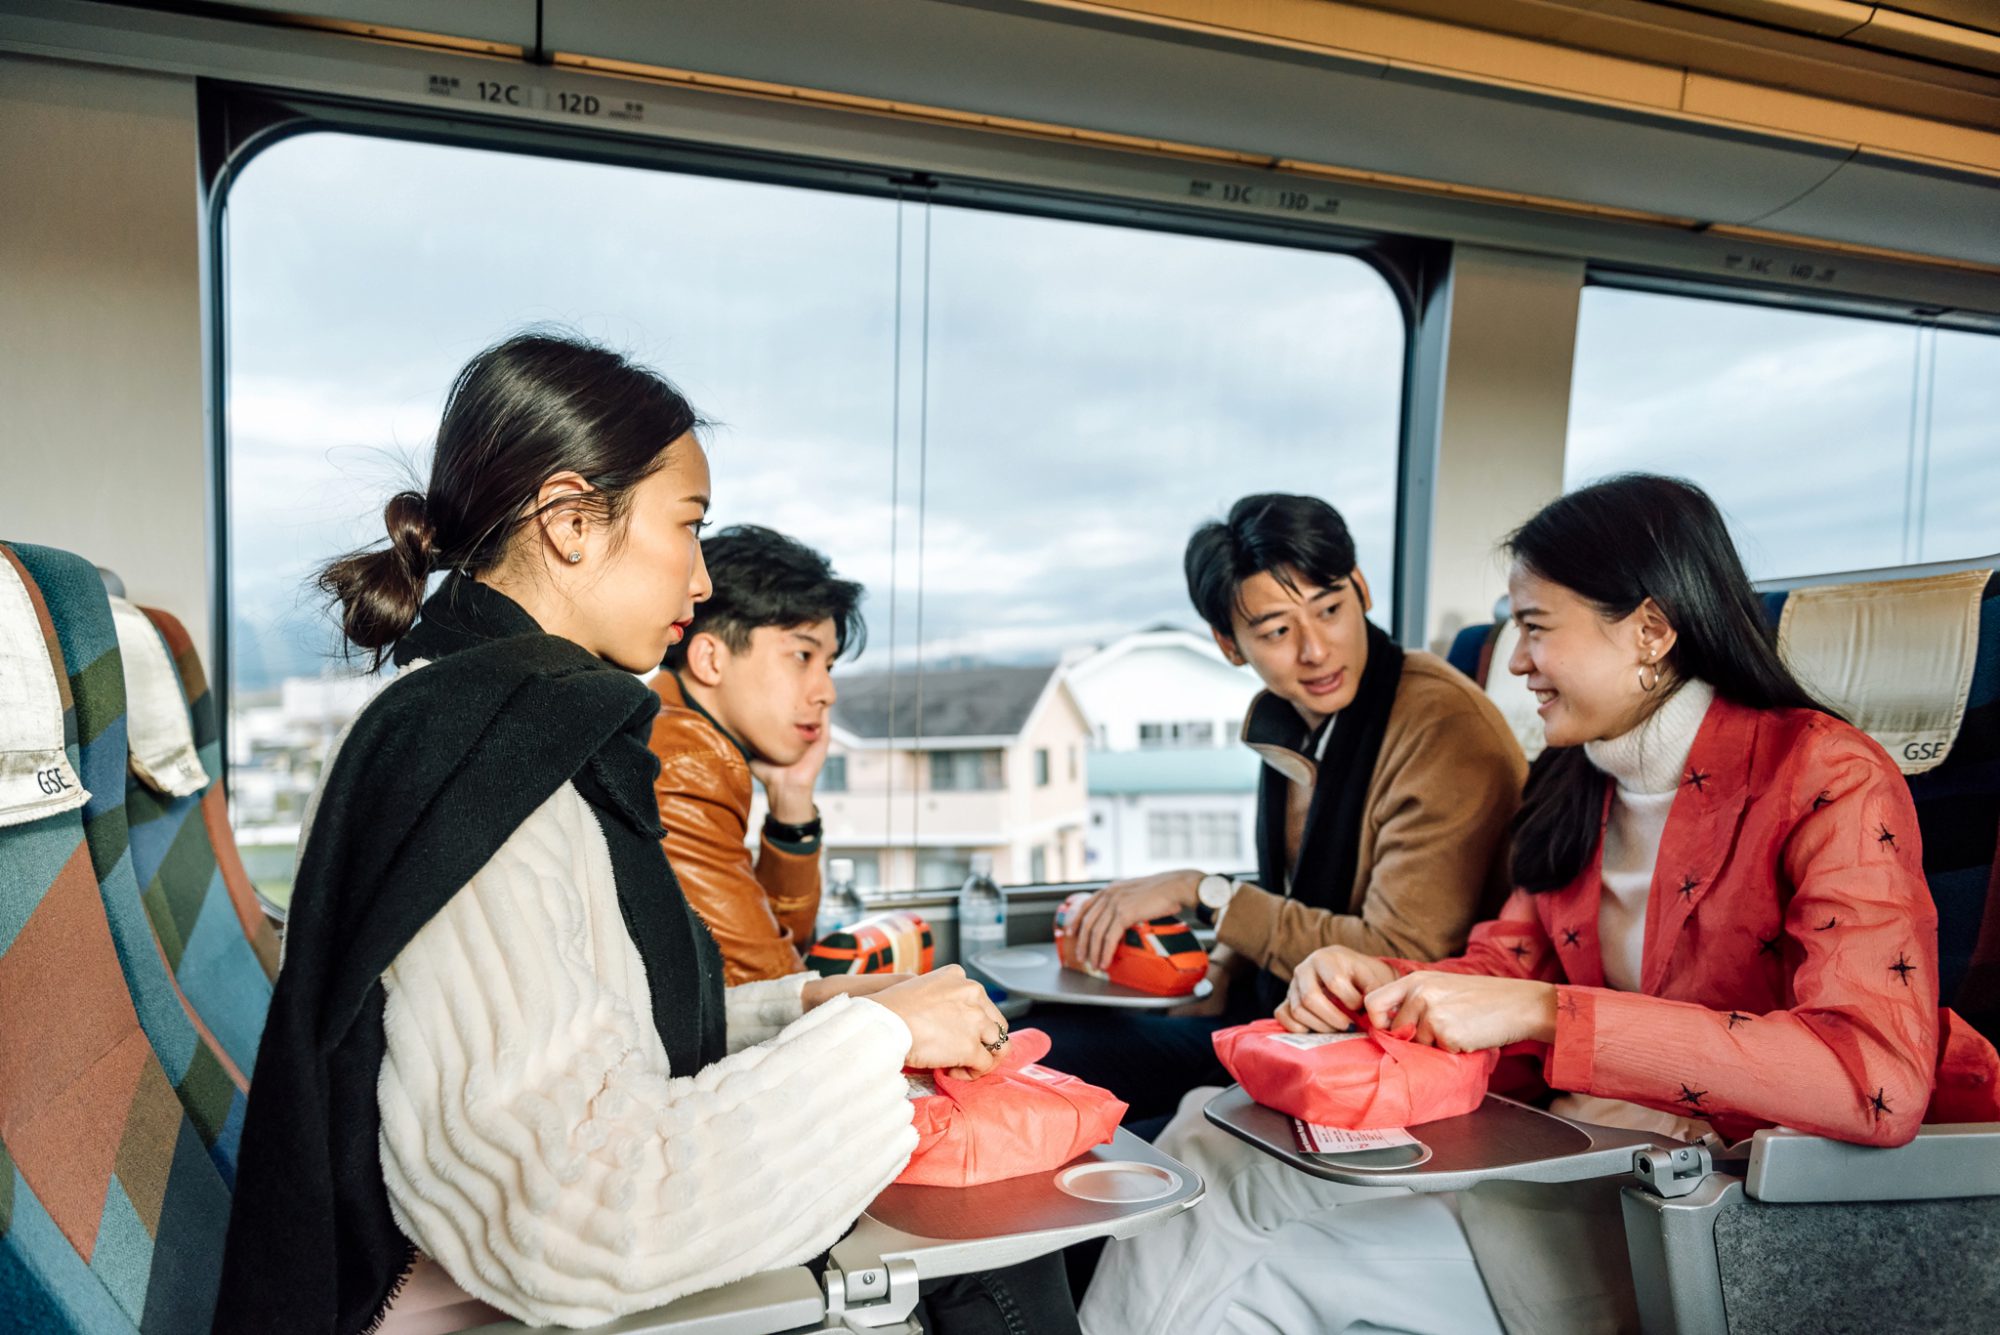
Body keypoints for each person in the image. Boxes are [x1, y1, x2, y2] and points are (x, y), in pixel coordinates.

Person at [214, 333, 1079, 1335]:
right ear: (573, 521)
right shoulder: (489, 757)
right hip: (477, 1304)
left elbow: (601, 1034)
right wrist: (876, 1037)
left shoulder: (499, 716)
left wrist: (811, 1004)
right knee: (999, 1265)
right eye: (688, 525)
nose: (701, 578)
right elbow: (568, 1224)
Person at [1082, 474, 2000, 1335]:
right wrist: (1384, 980)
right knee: (1212, 1127)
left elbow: (1871, 1075)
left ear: (1649, 630)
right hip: (1594, 1151)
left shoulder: (1826, 776)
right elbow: (1508, 968)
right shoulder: (1583, 783)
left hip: (1740, 1205)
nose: (1514, 660)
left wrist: (1548, 1015)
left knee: (1260, 1260)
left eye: (1535, 627)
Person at [1039, 493, 1526, 1128]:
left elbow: (1400, 952)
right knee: (1046, 1046)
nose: (1316, 650)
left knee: (1104, 1146)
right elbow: (1292, 892)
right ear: (1229, 645)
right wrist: (1219, 967)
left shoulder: (1442, 728)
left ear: (1362, 589)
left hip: (1378, 1055)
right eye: (1276, 631)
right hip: (1284, 1021)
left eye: (1330, 610)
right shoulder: (1296, 721)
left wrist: (1202, 892)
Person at [649, 524, 862, 983]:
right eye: (803, 657)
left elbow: (777, 941)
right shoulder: (688, 759)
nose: (826, 692)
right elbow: (769, 987)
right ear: (710, 660)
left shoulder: (678, 732)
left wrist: (791, 799)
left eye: (828, 665)